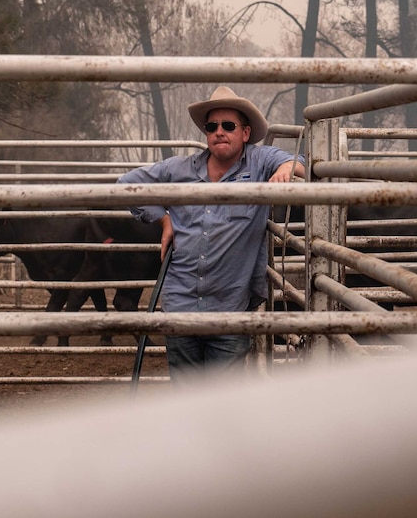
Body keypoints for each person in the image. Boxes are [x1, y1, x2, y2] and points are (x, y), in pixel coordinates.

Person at [117, 86, 306, 385]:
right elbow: (125, 183)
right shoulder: (178, 169)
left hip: (229, 307)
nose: (219, 132)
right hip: (180, 304)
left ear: (245, 133)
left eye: (228, 126)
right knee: (187, 396)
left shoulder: (259, 162)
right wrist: (163, 219)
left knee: (222, 399)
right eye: (212, 126)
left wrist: (286, 170)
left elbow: (298, 161)